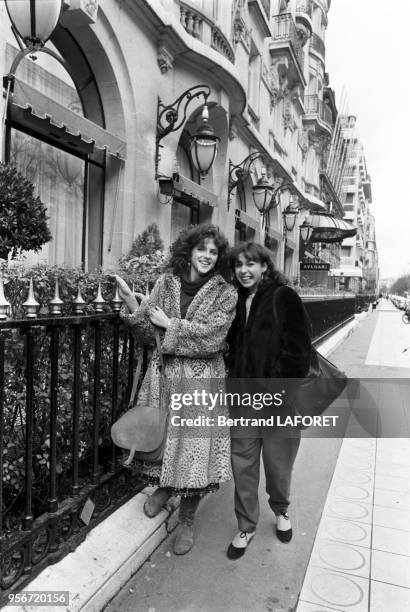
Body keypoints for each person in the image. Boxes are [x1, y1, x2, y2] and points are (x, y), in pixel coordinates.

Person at [116, 224, 237, 555]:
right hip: (165, 379)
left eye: (213, 252)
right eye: (202, 249)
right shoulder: (165, 282)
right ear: (189, 249)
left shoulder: (226, 293)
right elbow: (145, 333)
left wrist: (171, 326)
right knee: (166, 441)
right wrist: (132, 306)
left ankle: (186, 518)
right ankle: (165, 489)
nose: (207, 257)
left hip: (201, 383)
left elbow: (213, 338)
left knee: (197, 452)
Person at [226, 242, 311, 559]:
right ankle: (246, 525)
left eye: (250, 263)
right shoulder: (235, 301)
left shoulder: (282, 296)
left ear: (264, 266)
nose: (243, 270)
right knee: (243, 466)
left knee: (278, 466)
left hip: (277, 402)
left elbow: (298, 352)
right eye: (238, 265)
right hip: (243, 400)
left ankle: (281, 510)